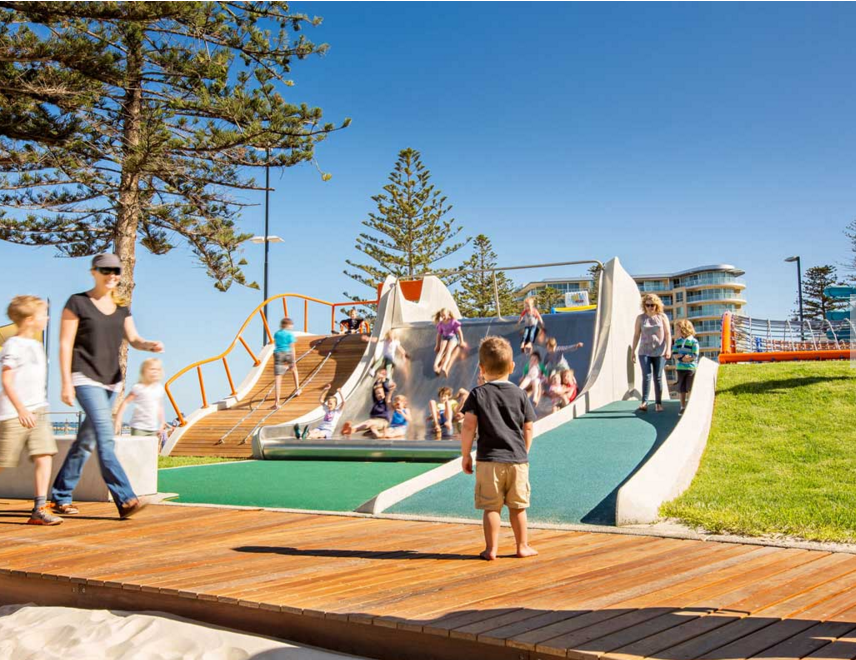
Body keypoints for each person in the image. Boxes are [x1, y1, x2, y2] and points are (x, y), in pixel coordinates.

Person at [51, 253, 163, 519]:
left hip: (111, 383)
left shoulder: (122, 308)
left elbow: (133, 338)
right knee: (105, 438)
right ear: (94, 272)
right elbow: (65, 344)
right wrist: (66, 382)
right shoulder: (77, 303)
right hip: (84, 377)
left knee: (86, 442)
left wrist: (148, 345)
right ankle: (126, 499)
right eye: (105, 270)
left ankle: (60, 495)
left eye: (116, 271)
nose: (112, 275)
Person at [460, 336, 537, 561]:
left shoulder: (477, 394)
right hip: (517, 460)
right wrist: (524, 451)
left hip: (488, 460)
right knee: (518, 507)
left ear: (482, 368)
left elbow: (468, 426)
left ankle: (491, 549)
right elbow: (528, 427)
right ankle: (522, 546)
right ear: (512, 367)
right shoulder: (520, 394)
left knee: (491, 508)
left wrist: (465, 455)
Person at [0, 296, 62, 525]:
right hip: (13, 414)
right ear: (29, 319)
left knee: (44, 455)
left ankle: (39, 509)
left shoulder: (36, 345)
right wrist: (21, 410)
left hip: (38, 410)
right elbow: (7, 381)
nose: (47, 318)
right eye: (42, 314)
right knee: (3, 462)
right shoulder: (13, 345)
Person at [631, 293, 671, 413]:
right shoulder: (640, 318)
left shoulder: (662, 317)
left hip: (660, 351)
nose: (650, 307)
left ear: (656, 305)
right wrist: (633, 351)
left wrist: (668, 349)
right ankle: (644, 402)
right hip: (644, 351)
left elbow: (668, 334)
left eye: (652, 305)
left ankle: (658, 403)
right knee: (646, 376)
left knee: (657, 377)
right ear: (644, 306)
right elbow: (636, 335)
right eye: (647, 305)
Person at [113, 358, 166, 439]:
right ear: (144, 371)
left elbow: (159, 407)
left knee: (150, 447)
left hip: (153, 428)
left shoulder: (159, 388)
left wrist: (162, 422)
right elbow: (125, 402)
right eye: (152, 369)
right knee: (135, 446)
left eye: (158, 369)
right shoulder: (139, 387)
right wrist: (118, 419)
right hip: (138, 427)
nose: (155, 371)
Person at [341, 368, 394, 437]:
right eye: (377, 394)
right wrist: (378, 380)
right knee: (368, 423)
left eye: (380, 393)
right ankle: (350, 430)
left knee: (369, 422)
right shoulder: (376, 401)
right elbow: (374, 390)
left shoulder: (386, 401)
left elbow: (386, 390)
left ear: (384, 393)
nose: (379, 395)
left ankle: (352, 429)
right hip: (375, 421)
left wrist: (383, 380)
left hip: (383, 421)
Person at [672, 320, 700, 415]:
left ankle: (691, 406)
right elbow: (675, 354)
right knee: (682, 388)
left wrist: (687, 357)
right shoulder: (678, 341)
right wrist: (683, 357)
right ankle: (682, 407)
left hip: (691, 369)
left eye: (677, 329)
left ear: (684, 329)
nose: (676, 331)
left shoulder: (693, 341)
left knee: (690, 388)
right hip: (680, 368)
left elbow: (694, 355)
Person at [273, 317, 300, 408]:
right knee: (294, 369)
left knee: (278, 378)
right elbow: (292, 347)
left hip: (278, 354)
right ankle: (297, 388)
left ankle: (277, 402)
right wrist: (293, 361)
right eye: (291, 325)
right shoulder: (290, 334)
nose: (292, 326)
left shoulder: (277, 334)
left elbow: (276, 344)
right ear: (287, 325)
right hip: (287, 353)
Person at [433, 308, 466, 377]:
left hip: (453, 338)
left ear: (448, 314)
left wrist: (462, 341)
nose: (443, 317)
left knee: (449, 351)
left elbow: (459, 331)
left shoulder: (453, 321)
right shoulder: (441, 324)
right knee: (441, 351)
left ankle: (444, 367)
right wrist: (437, 345)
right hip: (445, 338)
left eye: (444, 315)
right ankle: (435, 366)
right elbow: (438, 335)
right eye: (441, 316)